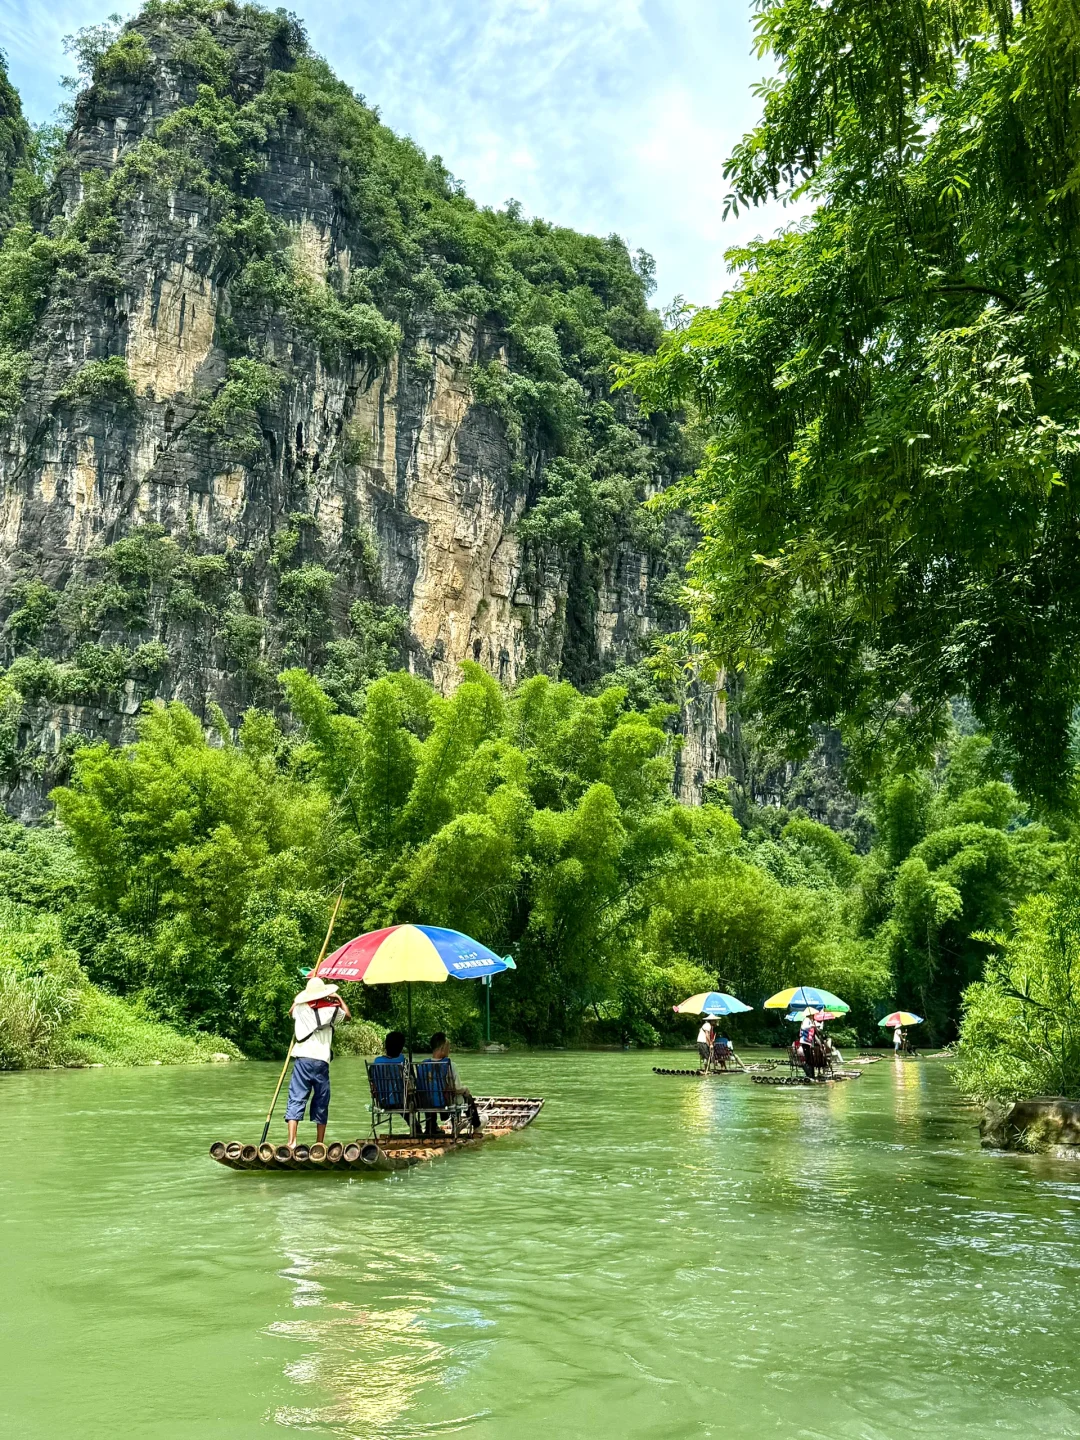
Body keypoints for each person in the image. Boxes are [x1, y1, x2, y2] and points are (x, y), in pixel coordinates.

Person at [285, 974, 350, 1147]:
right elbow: (348, 1016)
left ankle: (292, 1142)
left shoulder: (300, 1008)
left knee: (296, 1098)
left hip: (302, 1059)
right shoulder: (332, 1009)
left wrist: (301, 997)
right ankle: (319, 1142)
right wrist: (338, 998)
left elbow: (291, 1011)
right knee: (321, 1099)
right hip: (321, 1061)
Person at [426, 1032, 482, 1133]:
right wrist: (465, 1089)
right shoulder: (450, 1065)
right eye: (448, 1047)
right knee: (467, 1096)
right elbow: (456, 1089)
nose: (449, 1049)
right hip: (447, 1101)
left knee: (442, 1095)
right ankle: (476, 1125)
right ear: (442, 1048)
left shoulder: (423, 1065)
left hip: (428, 1102)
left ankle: (431, 1126)